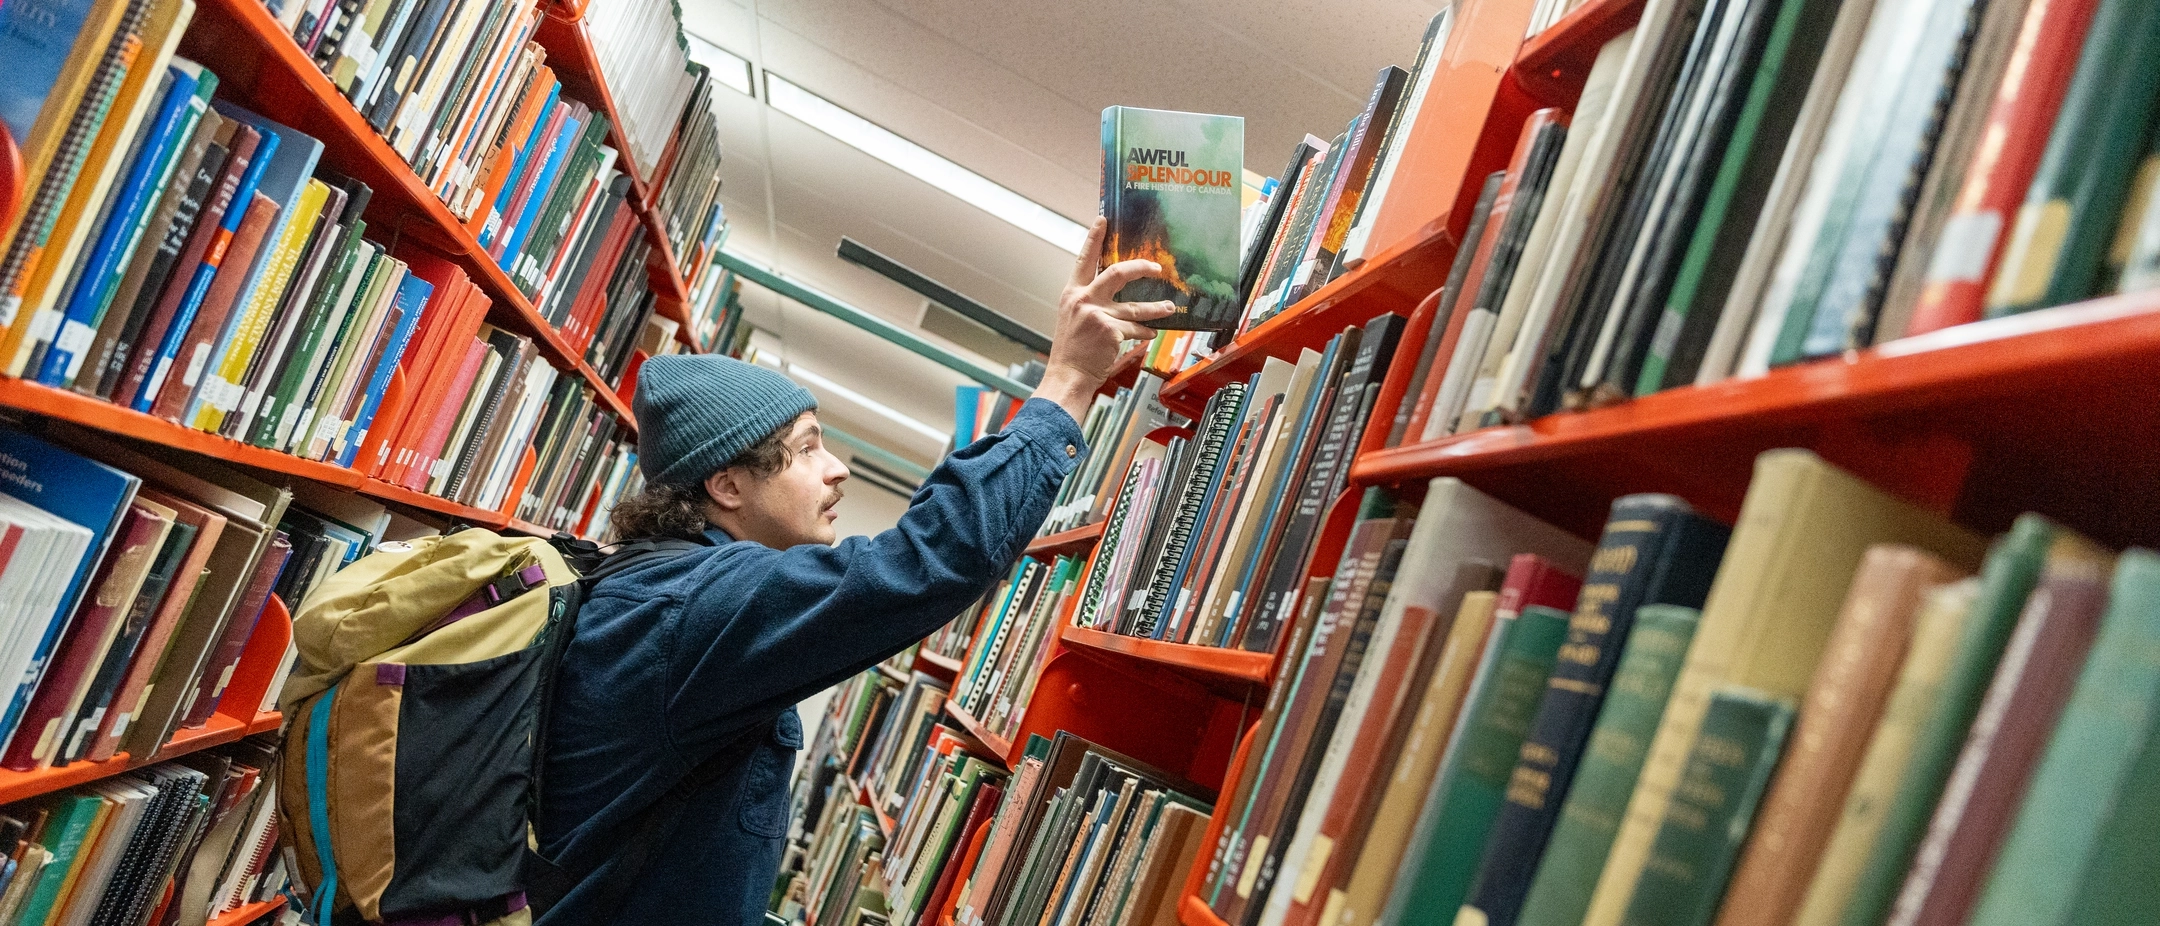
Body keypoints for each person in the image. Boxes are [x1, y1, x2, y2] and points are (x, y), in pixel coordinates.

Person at [532, 219, 1174, 926]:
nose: (836, 468)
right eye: (807, 450)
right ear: (728, 486)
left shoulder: (662, 589)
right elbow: (927, 561)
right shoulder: (696, 604)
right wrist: (1068, 382)